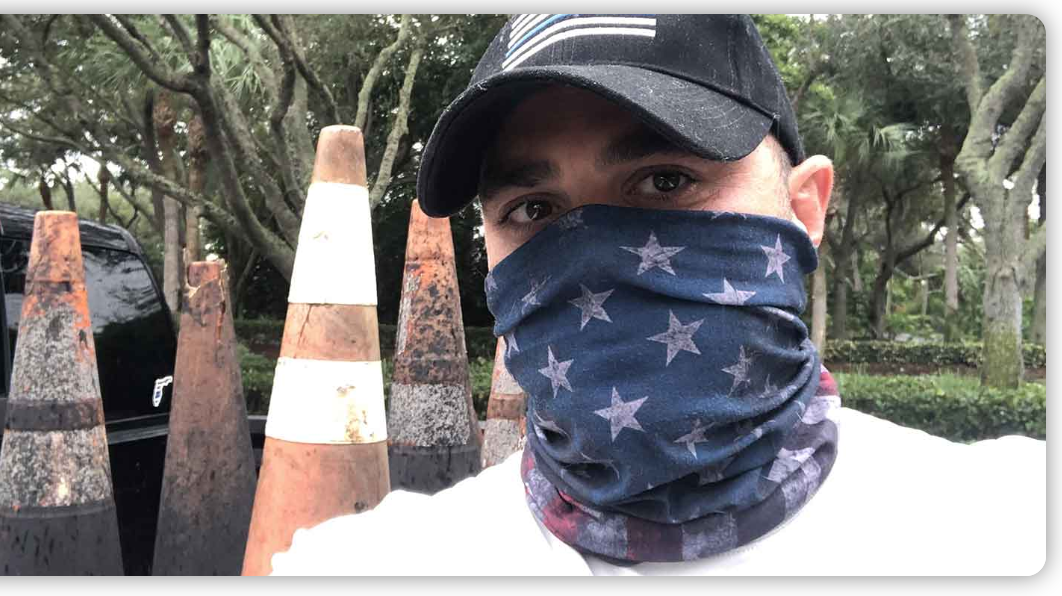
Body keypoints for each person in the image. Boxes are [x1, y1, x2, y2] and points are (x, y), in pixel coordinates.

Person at [269, 14, 1044, 575]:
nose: (593, 253)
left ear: (806, 210)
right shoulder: (372, 567)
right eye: (532, 209)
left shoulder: (1007, 524)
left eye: (666, 180)